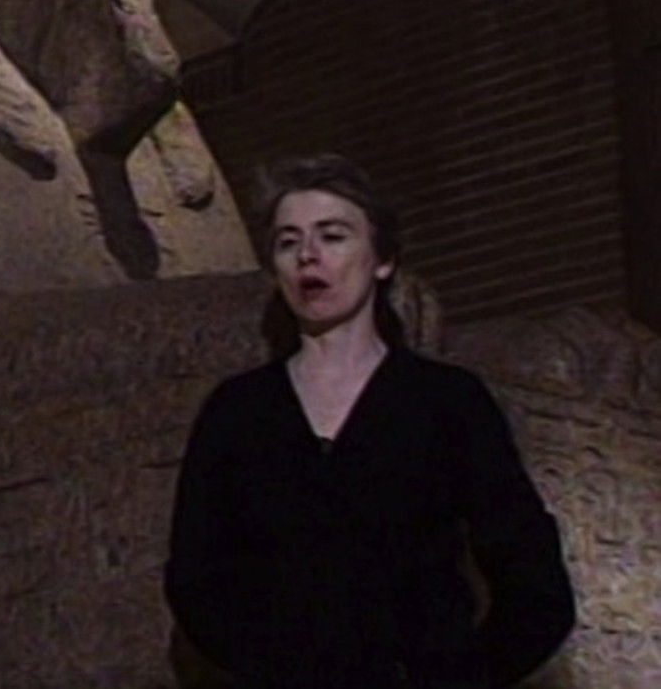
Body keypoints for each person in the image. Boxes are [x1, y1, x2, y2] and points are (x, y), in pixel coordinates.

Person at [165, 154, 575, 689]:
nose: (307, 255)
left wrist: (458, 677)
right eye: (288, 242)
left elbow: (536, 585)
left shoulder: (448, 402)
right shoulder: (237, 412)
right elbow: (196, 579)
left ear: (382, 260)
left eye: (332, 236)